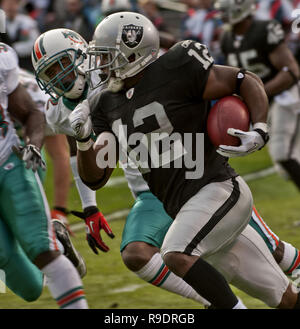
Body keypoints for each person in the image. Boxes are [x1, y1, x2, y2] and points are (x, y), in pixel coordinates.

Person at [32, 26, 300, 309]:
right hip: (162, 193)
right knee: (285, 299)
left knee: (184, 251)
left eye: (62, 64)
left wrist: (255, 127)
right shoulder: (98, 104)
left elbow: (238, 78)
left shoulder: (169, 66)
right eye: (50, 73)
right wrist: (85, 151)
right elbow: (96, 170)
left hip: (210, 180)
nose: (99, 64)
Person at [0, 42, 88, 308]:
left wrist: (32, 146)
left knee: (41, 249)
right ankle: (57, 245)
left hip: (11, 162)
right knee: (29, 287)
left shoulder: (4, 61)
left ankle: (51, 241)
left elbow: (35, 119)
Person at [215, 0, 300, 192]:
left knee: (283, 155)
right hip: (265, 101)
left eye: (227, 11)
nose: (223, 16)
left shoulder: (264, 29)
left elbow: (291, 70)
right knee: (285, 166)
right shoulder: (226, 38)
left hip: (285, 97)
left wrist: (258, 92)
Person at [18, 68, 86, 276]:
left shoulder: (36, 99)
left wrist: (59, 210)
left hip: (29, 110)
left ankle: (52, 241)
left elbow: (61, 155)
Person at [0, 0, 40, 71]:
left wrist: (14, 49)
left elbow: (35, 44)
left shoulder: (27, 22)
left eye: (12, 3)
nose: (10, 7)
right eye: (6, 4)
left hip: (25, 65)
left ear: (18, 4)